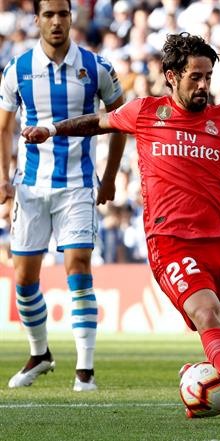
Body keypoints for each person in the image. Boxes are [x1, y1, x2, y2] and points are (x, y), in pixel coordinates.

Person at [22, 32, 220, 420]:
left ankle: (199, 378)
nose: (203, 86)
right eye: (195, 77)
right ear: (171, 76)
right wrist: (51, 130)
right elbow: (97, 123)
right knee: (207, 315)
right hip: (170, 243)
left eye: (208, 77)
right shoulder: (146, 112)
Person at [0, 0, 125, 392]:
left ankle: (84, 370)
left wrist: (109, 178)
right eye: (49, 14)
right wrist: (3, 177)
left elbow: (122, 122)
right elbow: (3, 128)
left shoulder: (97, 68)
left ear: (72, 18)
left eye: (63, 14)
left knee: (78, 267)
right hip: (30, 186)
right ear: (36, 20)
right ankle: (41, 353)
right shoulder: (17, 70)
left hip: (78, 185)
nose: (56, 22)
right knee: (23, 279)